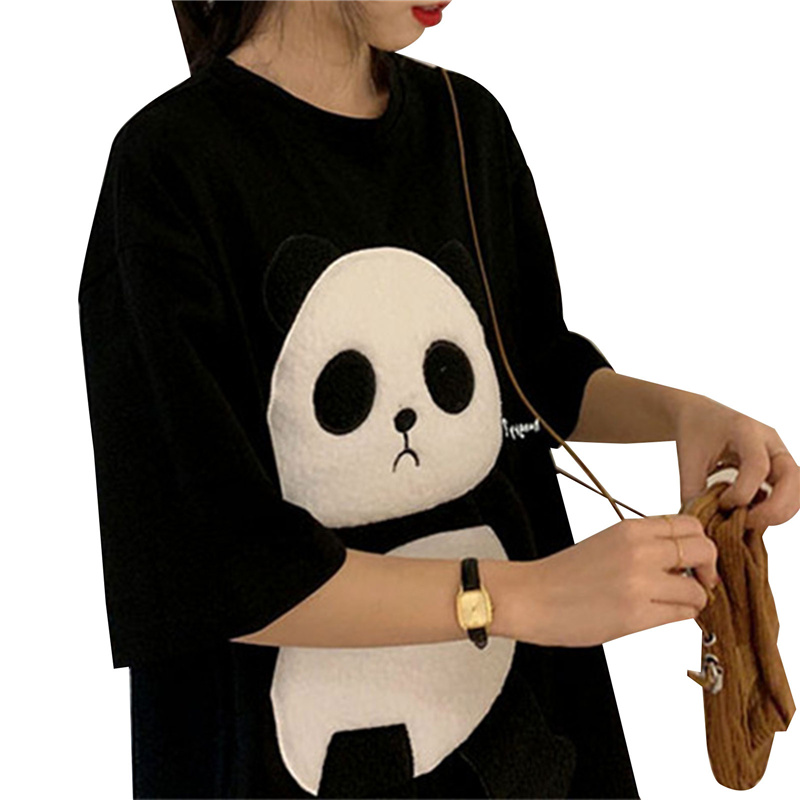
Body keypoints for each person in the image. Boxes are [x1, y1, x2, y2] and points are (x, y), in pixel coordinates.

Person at [77, 2, 800, 798]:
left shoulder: (467, 123)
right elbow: (205, 567)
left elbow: (529, 373)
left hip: (529, 747)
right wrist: (527, 595)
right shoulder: (170, 167)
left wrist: (684, 416)